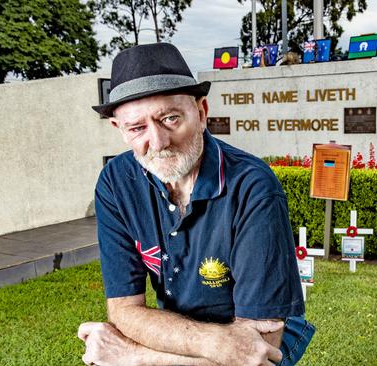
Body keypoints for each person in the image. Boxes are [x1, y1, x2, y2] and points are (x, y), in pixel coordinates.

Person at [78, 43, 314, 366]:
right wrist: (216, 344)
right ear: (119, 130)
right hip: (192, 336)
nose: (158, 143)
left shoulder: (254, 187)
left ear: (201, 112)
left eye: (171, 118)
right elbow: (124, 310)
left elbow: (256, 353)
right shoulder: (115, 184)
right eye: (137, 128)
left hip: (260, 331)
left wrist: (132, 355)